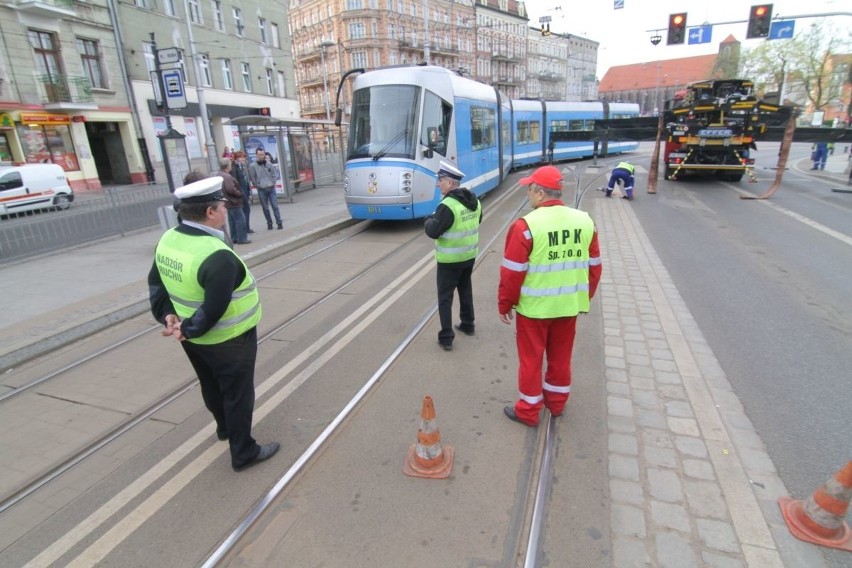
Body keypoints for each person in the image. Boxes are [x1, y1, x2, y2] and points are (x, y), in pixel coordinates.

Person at [148, 176, 279, 472]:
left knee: (210, 384)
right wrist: (188, 329)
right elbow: (215, 307)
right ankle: (244, 452)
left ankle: (224, 429)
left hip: (194, 341)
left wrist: (167, 314)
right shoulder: (216, 255)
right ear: (210, 213)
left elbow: (157, 282)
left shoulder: (168, 238)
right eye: (222, 206)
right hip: (229, 339)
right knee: (238, 394)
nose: (225, 211)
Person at [498, 165, 602, 427]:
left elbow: (512, 272)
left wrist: (505, 303)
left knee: (531, 360)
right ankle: (556, 404)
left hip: (534, 310)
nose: (528, 195)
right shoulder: (585, 221)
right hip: (567, 308)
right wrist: (582, 298)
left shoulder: (525, 226)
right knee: (560, 357)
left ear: (540, 193)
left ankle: (528, 411)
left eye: (529, 190)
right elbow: (594, 267)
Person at [424, 161, 482, 351]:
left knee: (445, 298)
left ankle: (447, 337)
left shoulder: (447, 206)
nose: (437, 184)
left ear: (450, 183)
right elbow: (477, 221)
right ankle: (468, 323)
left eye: (440, 180)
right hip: (468, 256)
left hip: (449, 261)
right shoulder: (475, 201)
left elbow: (433, 231)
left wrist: (429, 220)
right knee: (465, 290)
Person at [217, 158, 250, 245]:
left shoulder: (219, 174)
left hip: (227, 202)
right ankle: (241, 238)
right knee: (241, 219)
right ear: (227, 166)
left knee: (232, 220)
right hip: (233, 201)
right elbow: (230, 189)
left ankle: (234, 237)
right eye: (230, 164)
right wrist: (240, 194)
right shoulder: (227, 176)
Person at [248, 148, 283, 230]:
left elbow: (274, 175)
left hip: (271, 188)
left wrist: (273, 182)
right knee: (265, 208)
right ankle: (269, 223)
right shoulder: (253, 166)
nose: (261, 156)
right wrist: (258, 185)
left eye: (262, 154)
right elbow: (252, 178)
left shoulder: (269, 164)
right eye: (259, 155)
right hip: (262, 189)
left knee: (275, 206)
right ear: (256, 155)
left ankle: (279, 222)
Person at [232, 151, 254, 234]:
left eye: (244, 157)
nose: (243, 159)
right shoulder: (236, 167)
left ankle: (247, 227)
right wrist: (239, 192)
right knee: (244, 210)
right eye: (241, 157)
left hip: (245, 190)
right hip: (241, 191)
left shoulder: (243, 166)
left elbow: (247, 179)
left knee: (246, 210)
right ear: (237, 158)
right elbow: (235, 181)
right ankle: (245, 228)